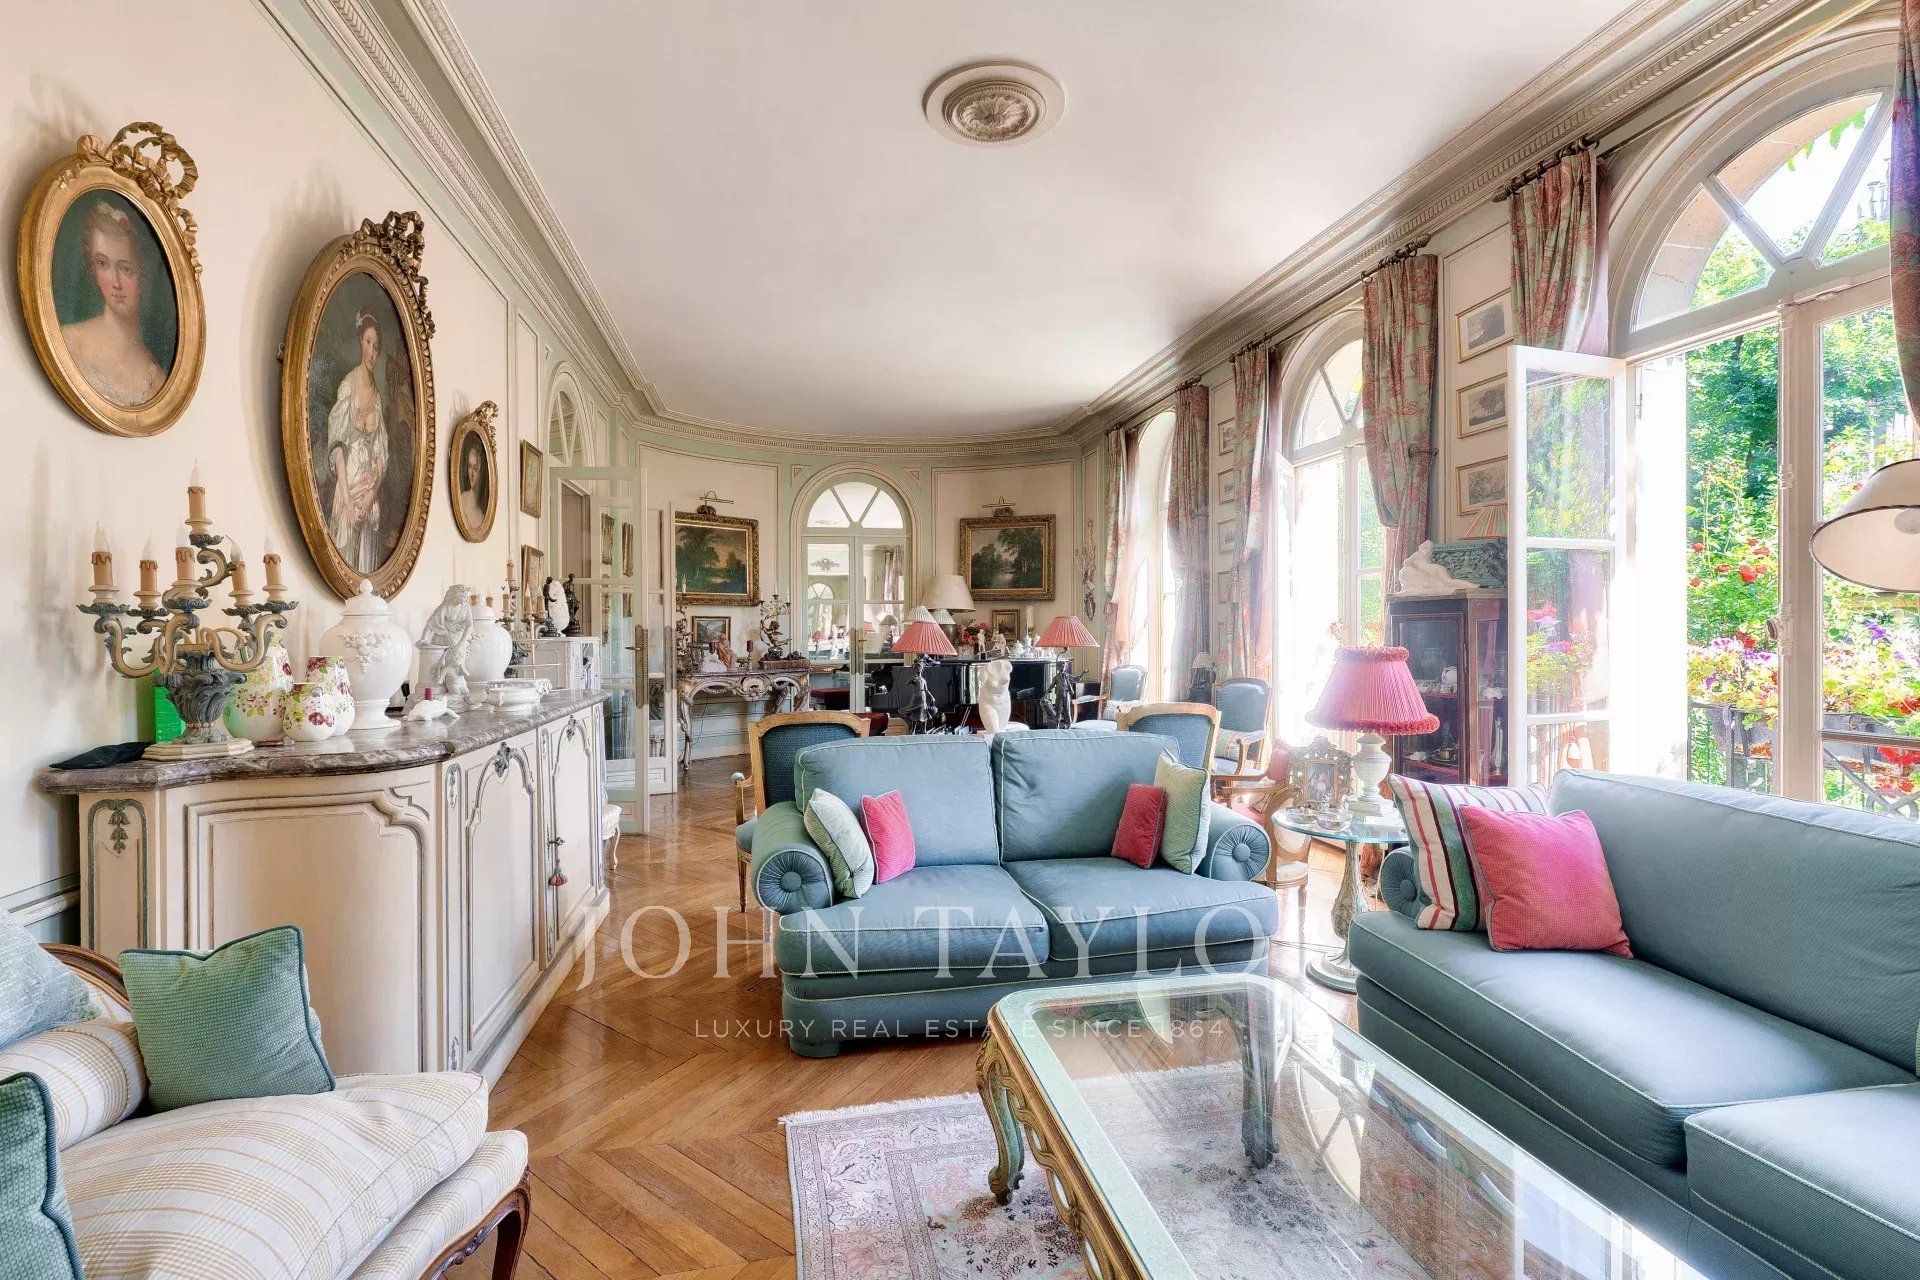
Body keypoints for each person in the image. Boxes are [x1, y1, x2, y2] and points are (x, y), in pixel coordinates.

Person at [60, 200, 167, 407]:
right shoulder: (70, 341)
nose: (115, 282)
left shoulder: (156, 382)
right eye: (103, 264)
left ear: (143, 277)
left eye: (126, 269)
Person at [325, 309, 390, 572]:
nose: (372, 352)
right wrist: (349, 503)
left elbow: (380, 456)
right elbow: (338, 449)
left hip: (368, 496)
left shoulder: (377, 397)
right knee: (344, 565)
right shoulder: (348, 385)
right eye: (368, 342)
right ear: (360, 341)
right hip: (348, 489)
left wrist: (371, 497)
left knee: (366, 570)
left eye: (376, 346)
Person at [456, 433, 488, 531]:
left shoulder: (482, 515)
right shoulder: (462, 499)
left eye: (475, 468)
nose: (472, 474)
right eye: (470, 467)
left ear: (481, 471)